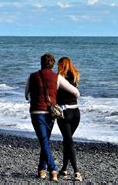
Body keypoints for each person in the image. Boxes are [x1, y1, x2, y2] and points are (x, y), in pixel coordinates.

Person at [25, 53, 80, 181]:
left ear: (41, 63)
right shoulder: (57, 78)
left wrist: (35, 98)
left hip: (36, 113)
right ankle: (47, 168)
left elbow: (26, 95)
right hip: (50, 113)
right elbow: (76, 92)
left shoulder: (32, 76)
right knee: (45, 140)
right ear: (53, 64)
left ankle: (47, 169)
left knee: (44, 141)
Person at [56, 56, 83, 182]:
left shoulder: (59, 78)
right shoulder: (75, 77)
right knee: (67, 140)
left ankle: (77, 171)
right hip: (76, 112)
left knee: (69, 141)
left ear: (61, 65)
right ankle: (64, 168)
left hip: (65, 112)